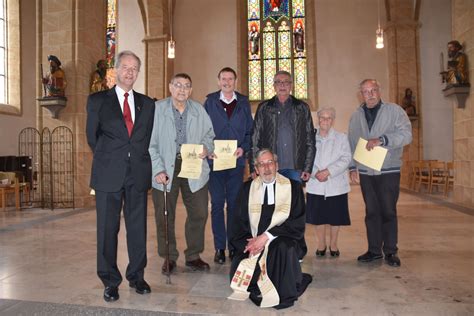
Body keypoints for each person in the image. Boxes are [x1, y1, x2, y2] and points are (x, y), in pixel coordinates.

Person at [86, 50, 155, 302]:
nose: (130, 71)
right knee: (107, 228)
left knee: (137, 228)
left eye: (135, 68)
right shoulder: (97, 101)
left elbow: (146, 139)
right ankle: (109, 280)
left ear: (138, 72)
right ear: (116, 70)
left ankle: (137, 276)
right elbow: (92, 137)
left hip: (137, 173)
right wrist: (112, 158)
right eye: (125, 67)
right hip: (108, 173)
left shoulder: (147, 104)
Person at [228, 148, 312, 310]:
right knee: (242, 275)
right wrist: (250, 243)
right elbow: (237, 222)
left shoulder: (293, 187)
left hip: (283, 238)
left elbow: (297, 223)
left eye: (270, 163)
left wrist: (266, 237)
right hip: (253, 241)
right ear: (256, 169)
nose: (266, 168)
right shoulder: (247, 189)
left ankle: (280, 288)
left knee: (281, 249)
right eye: (262, 164)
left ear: (277, 165)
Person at [149, 73, 215, 274]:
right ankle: (168, 256)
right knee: (164, 214)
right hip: (165, 167)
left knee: (200, 211)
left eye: (187, 86)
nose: (182, 89)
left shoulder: (199, 110)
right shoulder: (157, 110)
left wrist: (206, 148)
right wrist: (157, 169)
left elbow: (209, 135)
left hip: (193, 165)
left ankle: (193, 255)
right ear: (170, 87)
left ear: (191, 90)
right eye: (178, 85)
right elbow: (149, 144)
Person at [348, 79, 412, 267]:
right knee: (372, 212)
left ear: (379, 91)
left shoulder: (394, 111)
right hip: (367, 172)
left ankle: (391, 251)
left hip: (388, 170)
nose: (370, 94)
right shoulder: (356, 115)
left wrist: (383, 140)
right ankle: (374, 250)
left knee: (388, 211)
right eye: (366, 91)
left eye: (373, 90)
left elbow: (407, 135)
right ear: (361, 94)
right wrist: (352, 167)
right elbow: (351, 142)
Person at [251, 70, 315, 259]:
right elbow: (255, 139)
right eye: (278, 82)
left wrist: (307, 167)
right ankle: (271, 246)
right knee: (271, 208)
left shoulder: (302, 108)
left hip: (295, 168)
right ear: (273, 85)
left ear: (292, 85)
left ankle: (298, 249)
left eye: (286, 82)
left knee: (295, 210)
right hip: (270, 169)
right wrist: (254, 167)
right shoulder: (264, 108)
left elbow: (310, 139)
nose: (282, 85)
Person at [204, 67, 253, 264]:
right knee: (217, 204)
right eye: (223, 78)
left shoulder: (243, 102)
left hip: (236, 162)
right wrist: (209, 148)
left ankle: (233, 245)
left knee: (234, 205)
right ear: (218, 81)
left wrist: (243, 148)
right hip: (215, 162)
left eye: (230, 79)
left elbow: (249, 131)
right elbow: (204, 129)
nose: (226, 82)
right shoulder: (210, 102)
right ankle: (219, 247)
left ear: (235, 81)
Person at [306, 107, 351, 257]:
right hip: (315, 182)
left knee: (335, 217)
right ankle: (321, 244)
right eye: (322, 118)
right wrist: (314, 173)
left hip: (335, 182)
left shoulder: (341, 137)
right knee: (318, 216)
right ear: (318, 119)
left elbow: (346, 158)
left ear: (333, 120)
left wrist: (329, 171)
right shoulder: (309, 137)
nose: (325, 121)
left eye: (329, 118)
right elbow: (305, 157)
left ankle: (333, 244)